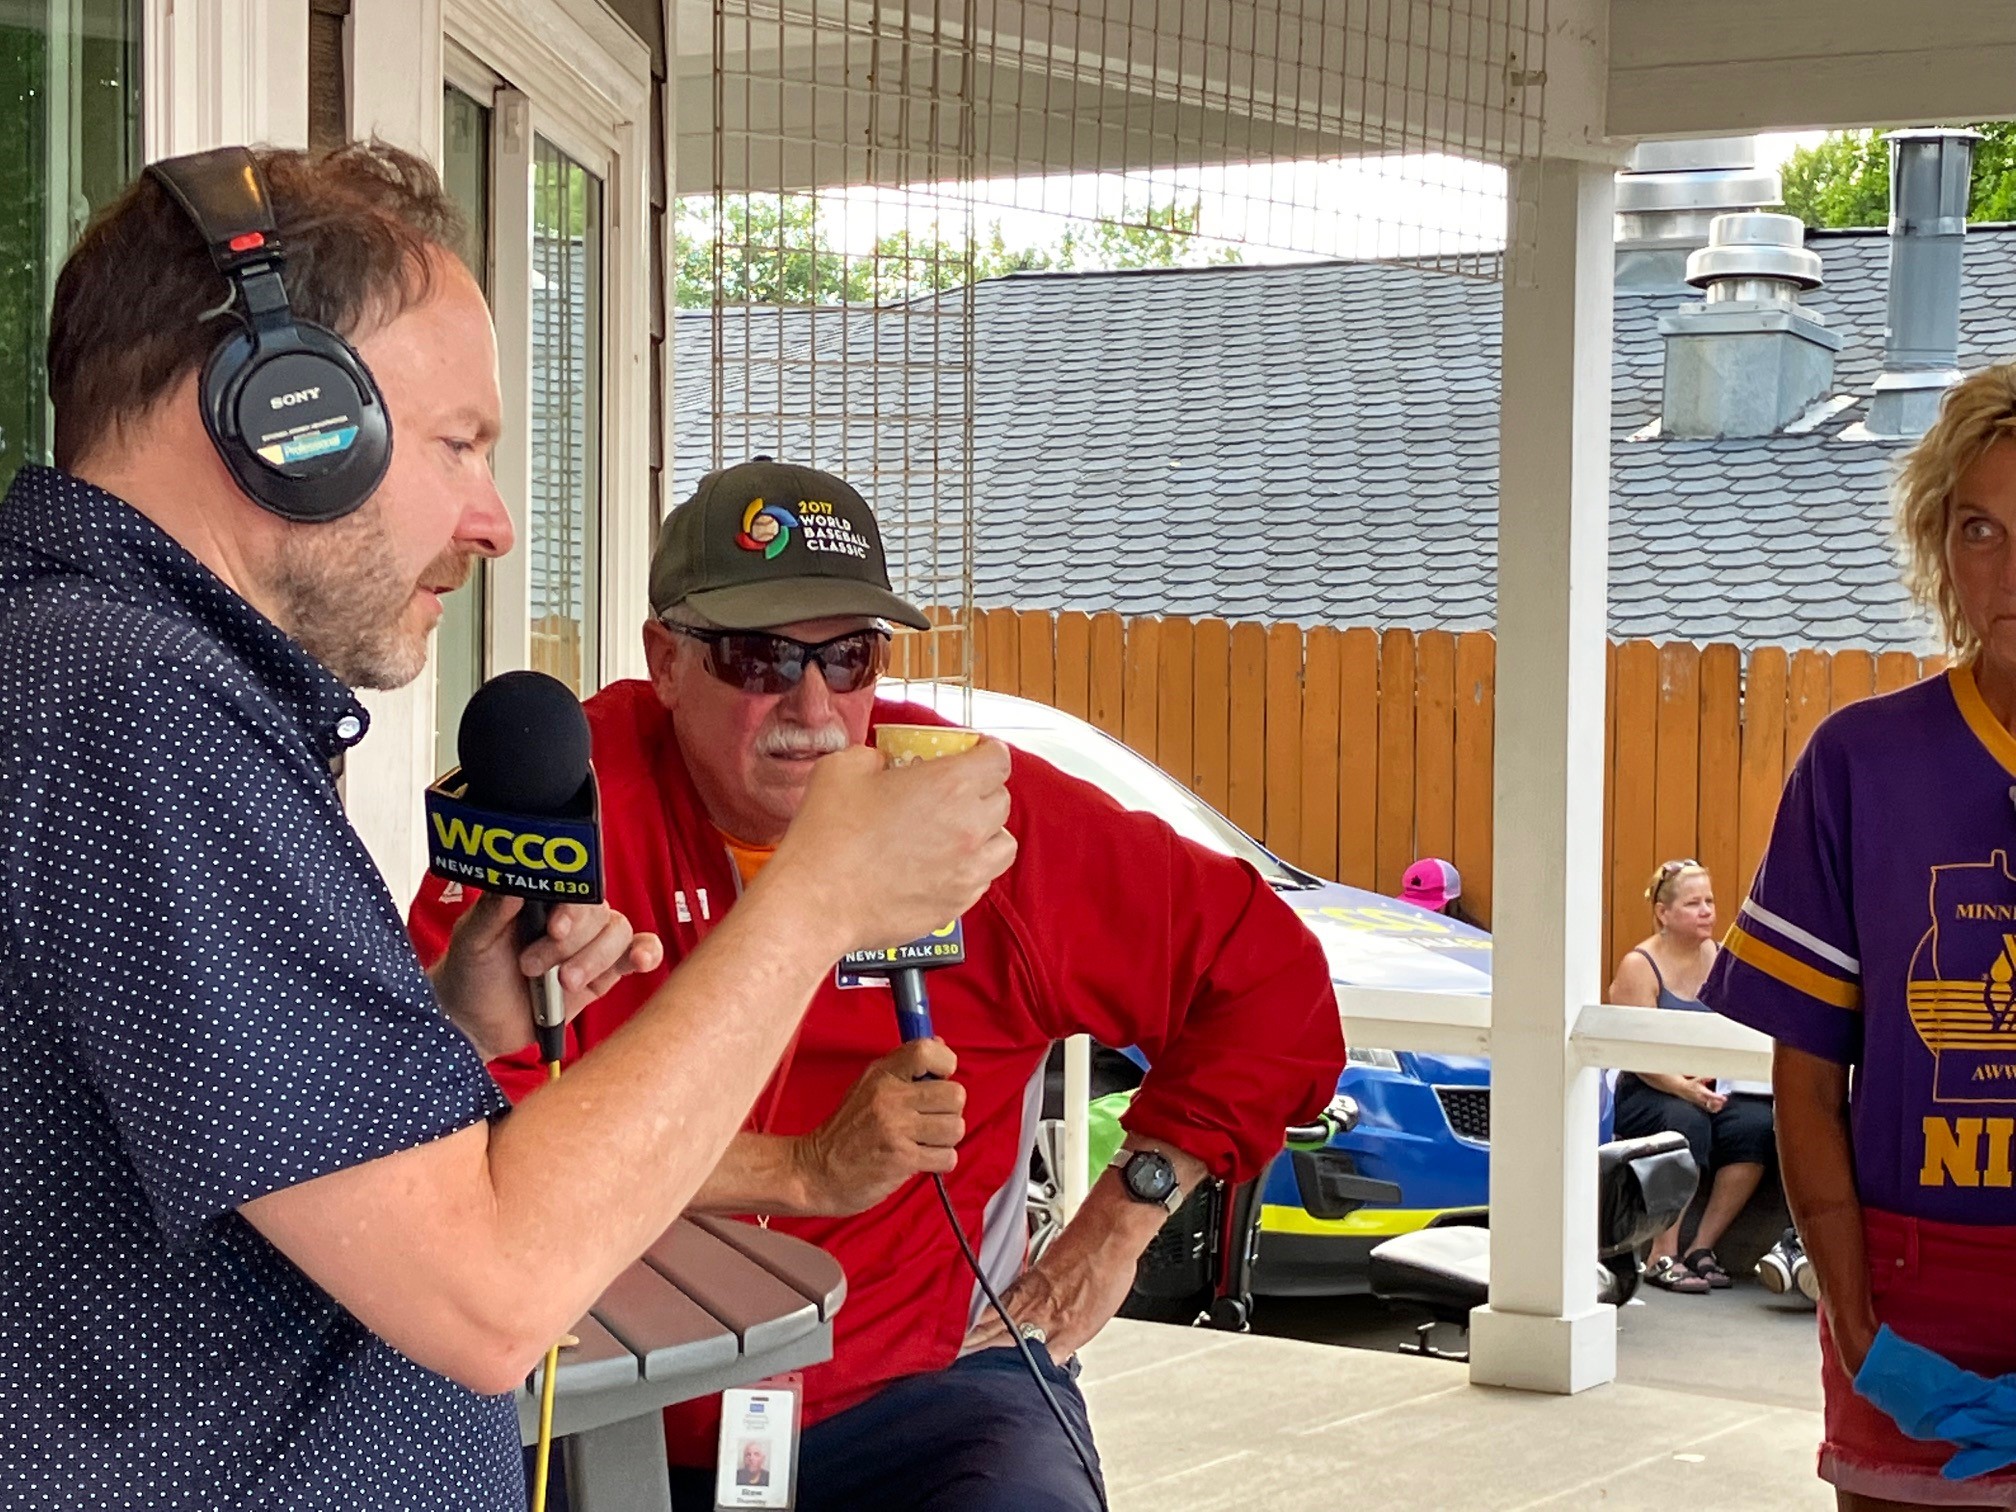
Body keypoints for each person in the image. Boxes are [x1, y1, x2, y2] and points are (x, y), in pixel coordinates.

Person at [0, 145, 1012, 1512]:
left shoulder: (86, 676)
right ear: (280, 413)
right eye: (462, 443)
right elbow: (491, 1292)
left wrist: (454, 1025)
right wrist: (817, 902)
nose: (490, 521)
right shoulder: (136, 706)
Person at [410, 457, 1347, 1512]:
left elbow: (1273, 982)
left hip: (918, 1389)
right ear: (665, 660)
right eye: (760, 659)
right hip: (600, 1392)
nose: (811, 706)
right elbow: (443, 1127)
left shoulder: (974, 810)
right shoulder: (563, 809)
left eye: (847, 657)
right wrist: (801, 1168)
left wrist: (1120, 1220)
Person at [1704, 362, 2016, 1511]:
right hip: (1910, 1297)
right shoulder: (1861, 764)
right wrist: (1853, 1312)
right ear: (1939, 545)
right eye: (1980, 527)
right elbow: (1806, 1080)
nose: (2011, 567)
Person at [1609, 860, 1773, 1294]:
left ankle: (1702, 1247)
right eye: (1693, 903)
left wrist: (1714, 1079)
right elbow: (1635, 1052)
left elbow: (1739, 1029)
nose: (1706, 911)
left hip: (1709, 1085)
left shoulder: (1721, 958)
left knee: (1754, 1126)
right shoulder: (1639, 966)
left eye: (1710, 902)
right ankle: (1663, 1251)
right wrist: (1685, 1087)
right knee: (1687, 1123)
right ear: (1663, 913)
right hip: (1648, 1087)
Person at [1400, 856, 1484, 928]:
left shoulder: (1471, 937)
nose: (1420, 914)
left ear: (1451, 904)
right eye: (1411, 907)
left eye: (1433, 910)